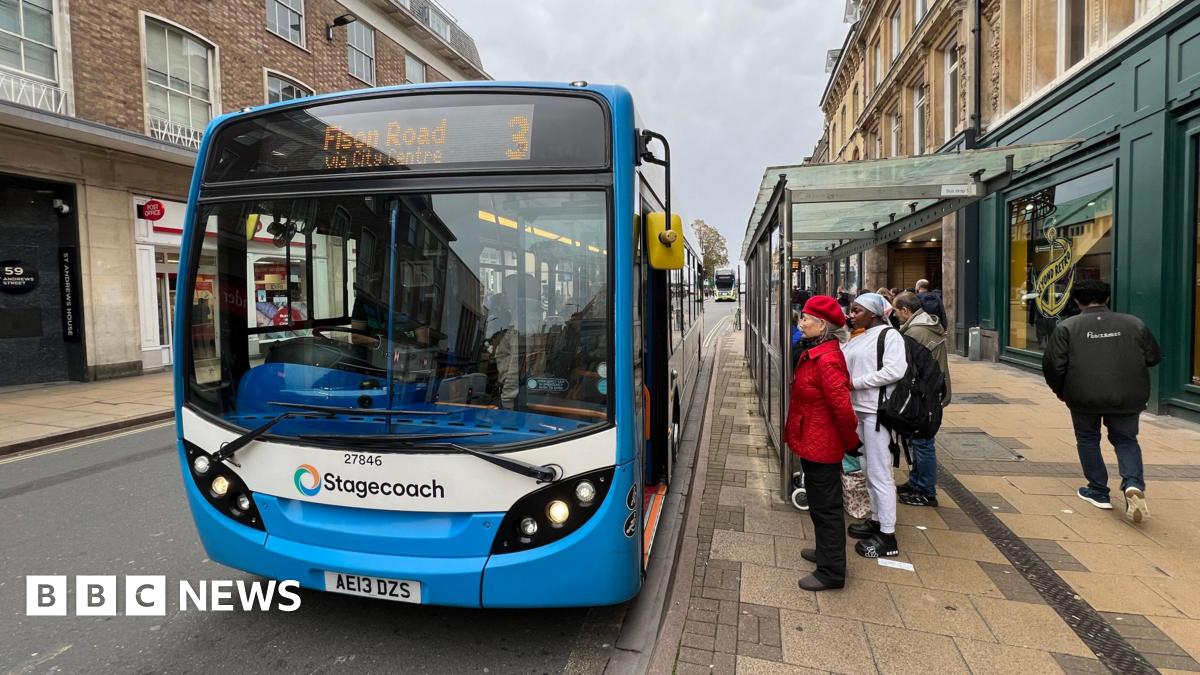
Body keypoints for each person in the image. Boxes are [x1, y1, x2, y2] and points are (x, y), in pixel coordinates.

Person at [1041, 279, 1162, 523]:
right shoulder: (1134, 324)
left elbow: (1053, 365)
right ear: (1107, 298)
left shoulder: (1067, 327)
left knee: (1088, 438)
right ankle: (1132, 483)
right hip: (1127, 395)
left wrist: (1060, 391)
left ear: (1076, 301)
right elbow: (1152, 357)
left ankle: (1098, 490)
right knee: (1126, 439)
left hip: (1083, 395)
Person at [783, 295, 859, 591]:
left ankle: (831, 572)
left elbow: (843, 409)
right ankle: (824, 552)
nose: (800, 323)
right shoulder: (815, 351)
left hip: (823, 443)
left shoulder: (827, 359)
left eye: (805, 318)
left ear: (822, 324)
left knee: (826, 506)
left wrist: (850, 443)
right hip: (811, 437)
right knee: (817, 501)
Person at [841, 292, 907, 558]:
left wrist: (857, 383)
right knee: (867, 467)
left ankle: (888, 536)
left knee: (880, 472)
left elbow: (895, 370)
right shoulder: (860, 335)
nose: (852, 314)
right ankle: (876, 520)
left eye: (857, 310)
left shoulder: (890, 336)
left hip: (877, 412)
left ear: (873, 313)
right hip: (860, 410)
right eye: (852, 310)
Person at [892, 291, 951, 506]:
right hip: (930, 392)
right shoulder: (926, 325)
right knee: (920, 440)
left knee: (923, 441)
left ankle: (926, 490)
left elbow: (909, 367)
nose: (896, 315)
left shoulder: (917, 332)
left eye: (897, 311)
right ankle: (917, 481)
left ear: (906, 311)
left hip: (925, 394)